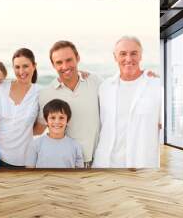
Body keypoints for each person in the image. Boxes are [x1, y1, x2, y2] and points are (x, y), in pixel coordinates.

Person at [92, 36, 162, 168]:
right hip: (105, 164)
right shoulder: (104, 87)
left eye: (134, 53)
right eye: (123, 54)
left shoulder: (156, 86)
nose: (128, 59)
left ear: (141, 55)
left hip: (142, 164)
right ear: (115, 57)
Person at [36, 41, 102, 168]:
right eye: (59, 62)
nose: (65, 66)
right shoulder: (46, 94)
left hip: (98, 160)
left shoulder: (95, 81)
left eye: (69, 60)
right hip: (66, 164)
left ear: (77, 58)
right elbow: (39, 129)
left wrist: (146, 78)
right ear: (53, 65)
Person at [0, 48, 40, 167]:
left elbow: (39, 129)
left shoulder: (39, 93)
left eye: (25, 66)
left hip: (18, 160)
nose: (21, 71)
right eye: (17, 67)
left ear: (34, 66)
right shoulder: (1, 86)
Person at [25, 99, 84, 168]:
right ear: (46, 120)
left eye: (61, 118)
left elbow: (79, 174)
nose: (57, 122)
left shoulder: (75, 146)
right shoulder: (36, 144)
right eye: (52, 118)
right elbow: (30, 171)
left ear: (67, 120)